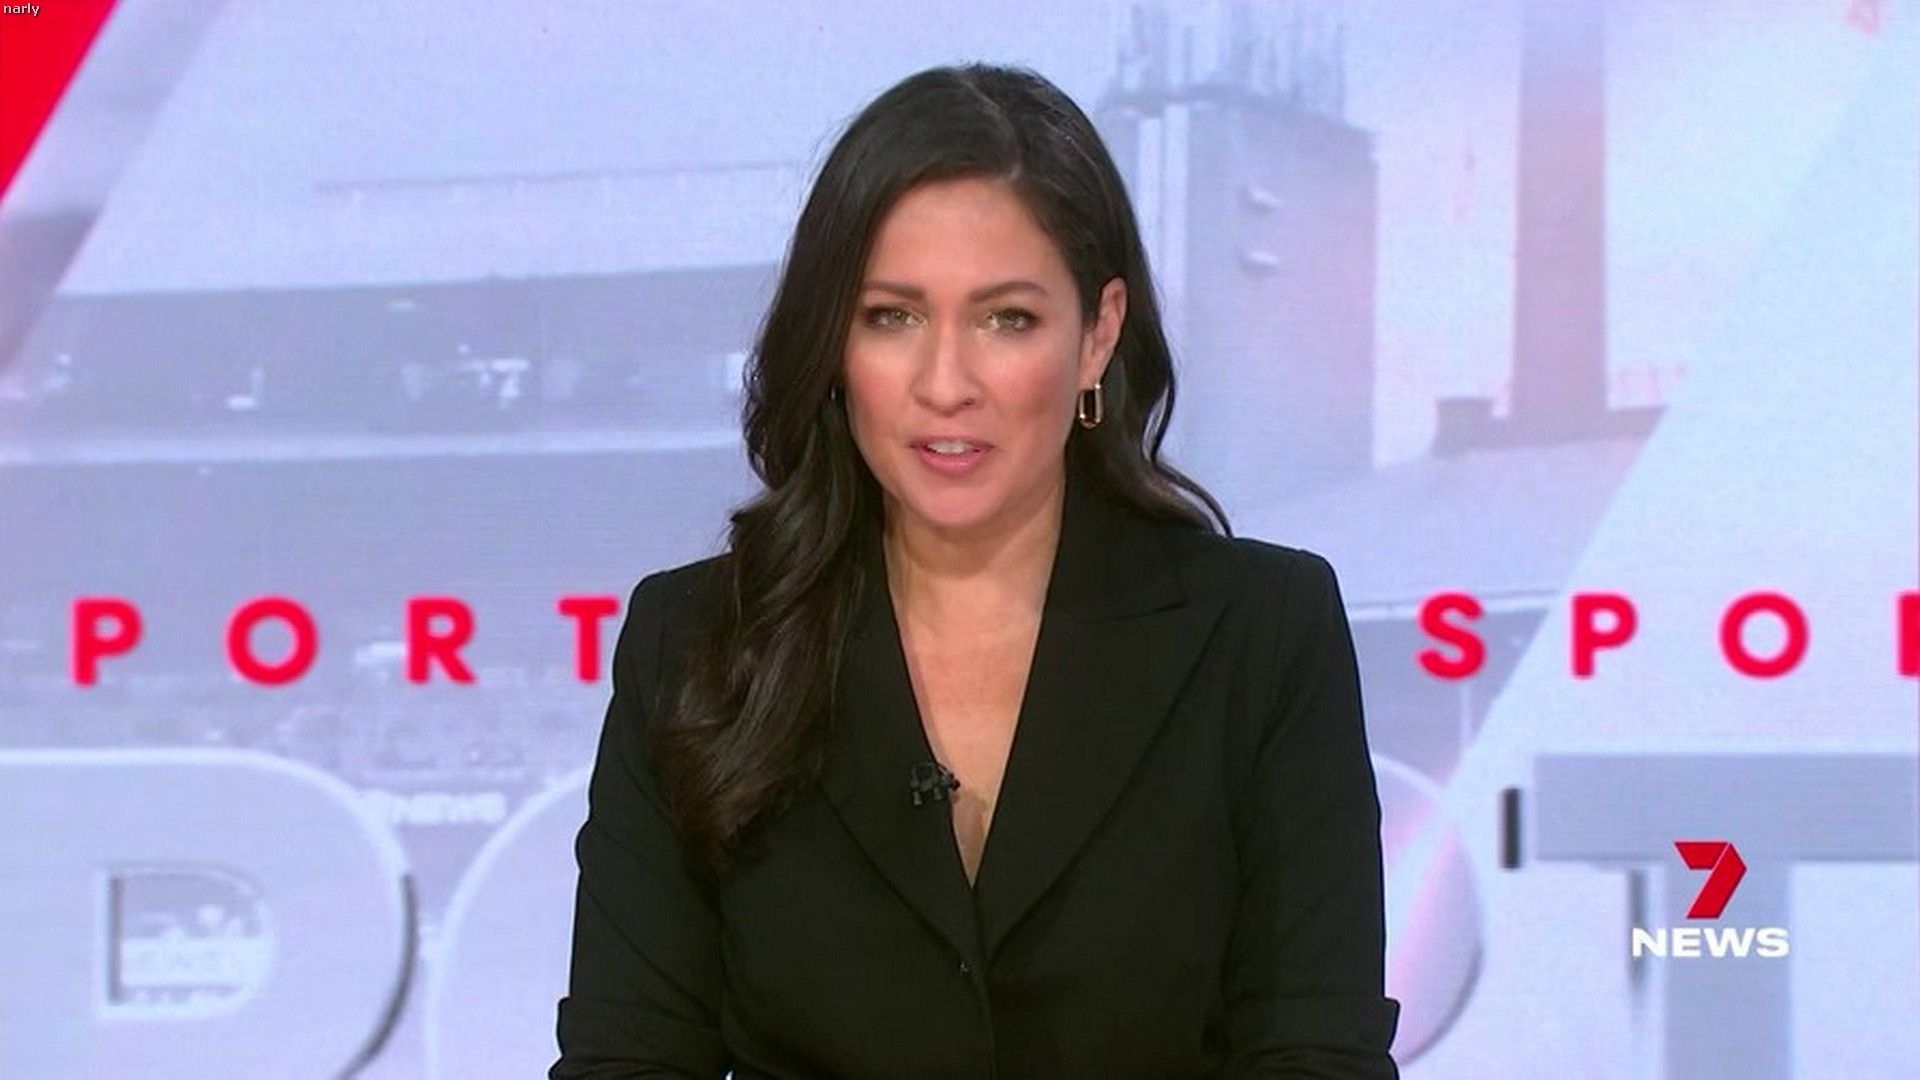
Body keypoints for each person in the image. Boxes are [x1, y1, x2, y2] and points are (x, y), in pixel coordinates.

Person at [551, 62, 1400, 1078]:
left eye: (1007, 319)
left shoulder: (1263, 634)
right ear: (833, 342)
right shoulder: (693, 642)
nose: (945, 383)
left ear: (1098, 334)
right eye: (892, 317)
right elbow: (628, 1058)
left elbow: (1315, 1053)